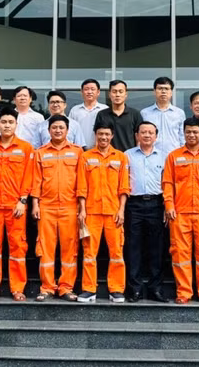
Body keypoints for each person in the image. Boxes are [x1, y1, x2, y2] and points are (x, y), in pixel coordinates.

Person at [163, 117, 199, 304]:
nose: (191, 135)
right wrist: (169, 205)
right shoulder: (174, 156)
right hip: (180, 213)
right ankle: (184, 292)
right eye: (188, 132)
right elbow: (168, 183)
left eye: (195, 132)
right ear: (183, 133)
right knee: (180, 254)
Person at [0, 107, 34, 302]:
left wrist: (23, 200)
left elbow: (29, 176)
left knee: (18, 248)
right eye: (3, 122)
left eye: (11, 122)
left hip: (15, 207)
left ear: (16, 124)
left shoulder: (26, 148)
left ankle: (17, 288)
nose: (7, 125)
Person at [77, 124, 130, 303]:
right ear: (95, 135)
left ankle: (116, 289)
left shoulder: (121, 157)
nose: (103, 137)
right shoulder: (86, 157)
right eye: (100, 134)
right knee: (89, 252)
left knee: (116, 252)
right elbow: (81, 186)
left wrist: (121, 210)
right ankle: (89, 289)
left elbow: (124, 186)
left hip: (113, 212)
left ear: (112, 135)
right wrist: (82, 210)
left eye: (107, 134)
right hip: (91, 212)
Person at [31, 114, 82, 302]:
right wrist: (35, 204)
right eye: (54, 127)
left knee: (70, 249)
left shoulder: (77, 152)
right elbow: (36, 181)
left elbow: (82, 182)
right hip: (46, 207)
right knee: (45, 248)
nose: (58, 130)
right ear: (49, 130)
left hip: (70, 207)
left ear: (67, 130)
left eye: (61, 127)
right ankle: (47, 287)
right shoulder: (40, 153)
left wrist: (81, 207)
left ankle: (66, 287)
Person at [124, 121, 168, 303]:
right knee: (133, 248)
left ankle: (155, 288)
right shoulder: (127, 155)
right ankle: (134, 289)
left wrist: (166, 206)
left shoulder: (164, 157)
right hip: (134, 205)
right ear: (137, 135)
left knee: (156, 249)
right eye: (143, 132)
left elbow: (167, 183)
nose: (147, 135)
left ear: (156, 136)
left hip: (156, 204)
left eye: (151, 132)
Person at [94, 80, 142, 152]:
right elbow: (97, 138)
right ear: (109, 94)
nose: (117, 95)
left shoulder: (135, 114)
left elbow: (139, 139)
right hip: (108, 156)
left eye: (121, 91)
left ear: (126, 94)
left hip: (129, 155)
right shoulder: (102, 114)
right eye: (114, 91)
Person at [141, 77, 186, 154]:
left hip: (174, 154)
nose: (163, 91)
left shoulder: (179, 113)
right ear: (154, 91)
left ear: (171, 92)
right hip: (151, 155)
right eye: (160, 88)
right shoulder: (145, 113)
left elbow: (182, 136)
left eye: (166, 89)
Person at [68, 78, 108, 149]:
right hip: (78, 150)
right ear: (81, 92)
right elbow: (70, 131)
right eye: (86, 89)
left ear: (98, 92)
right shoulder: (75, 110)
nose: (89, 92)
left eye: (92, 89)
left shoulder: (105, 109)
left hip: (99, 150)